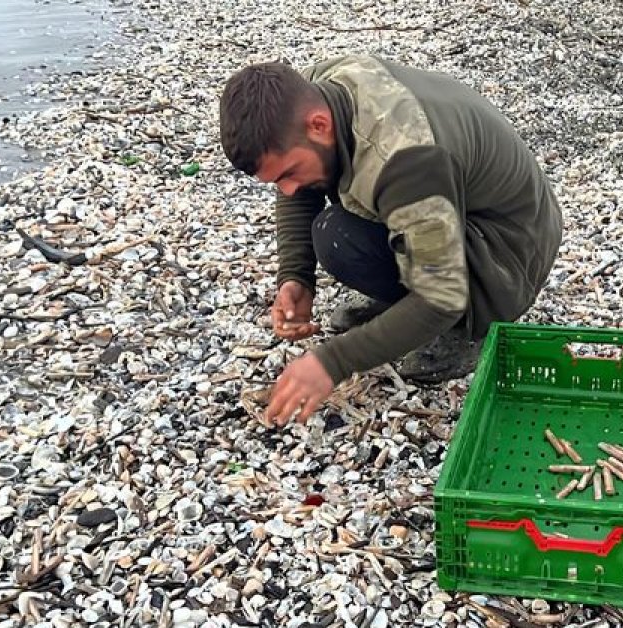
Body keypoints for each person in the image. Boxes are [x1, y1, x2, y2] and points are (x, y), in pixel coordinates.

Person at [218, 54, 562, 426]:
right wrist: (295, 276)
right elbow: (295, 191)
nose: (287, 190)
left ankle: (468, 330)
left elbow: (440, 296)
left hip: (508, 258)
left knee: (349, 244)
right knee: (334, 233)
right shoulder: (317, 92)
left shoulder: (406, 158)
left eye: (288, 173)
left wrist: (331, 362)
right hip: (455, 213)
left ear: (318, 125)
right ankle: (404, 309)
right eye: (275, 182)